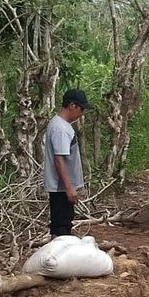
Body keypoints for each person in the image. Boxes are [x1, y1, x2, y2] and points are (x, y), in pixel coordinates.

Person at [44, 89, 92, 237]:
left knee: (63, 223)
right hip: (61, 188)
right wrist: (69, 187)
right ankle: (57, 257)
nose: (82, 113)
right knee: (61, 226)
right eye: (81, 108)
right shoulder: (61, 128)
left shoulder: (61, 125)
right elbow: (59, 160)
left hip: (62, 187)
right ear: (72, 105)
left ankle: (59, 255)